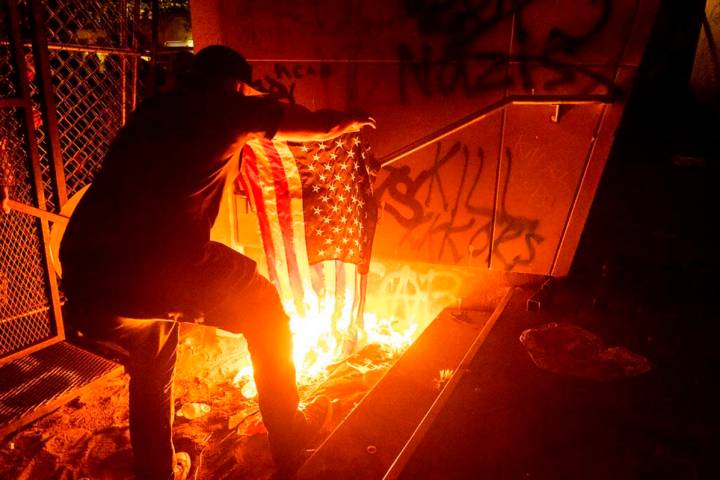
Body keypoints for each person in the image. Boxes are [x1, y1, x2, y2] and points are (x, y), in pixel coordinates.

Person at [59, 45, 375, 480]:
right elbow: (322, 127)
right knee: (265, 313)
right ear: (237, 84)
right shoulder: (230, 109)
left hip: (87, 274)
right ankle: (290, 440)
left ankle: (156, 470)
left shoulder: (155, 109)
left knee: (153, 356)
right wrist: (355, 119)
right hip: (162, 263)